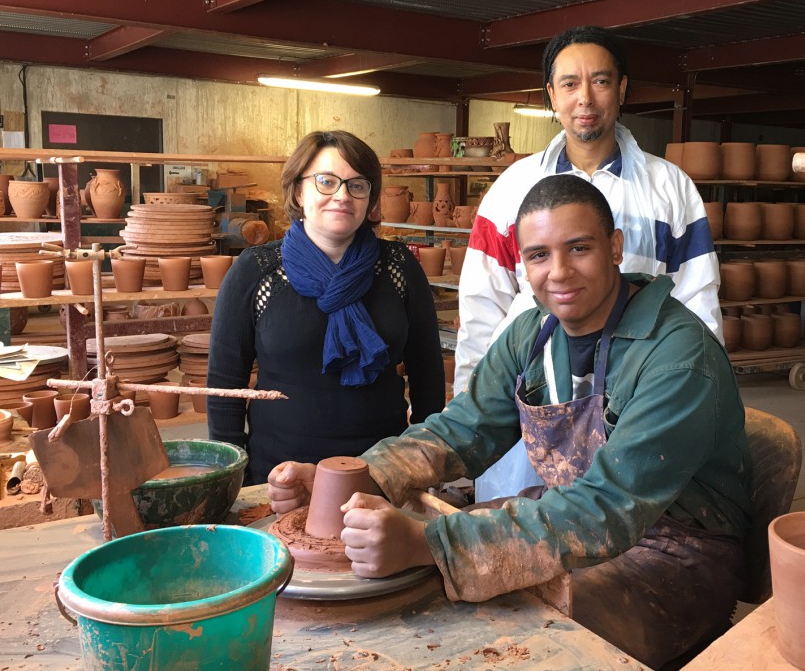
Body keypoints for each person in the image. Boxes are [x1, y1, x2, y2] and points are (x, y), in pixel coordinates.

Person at [268, 175, 751, 668]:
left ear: (615, 247)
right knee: (448, 588)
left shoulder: (678, 357)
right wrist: (354, 479)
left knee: (507, 644)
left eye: (578, 248)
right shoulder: (533, 335)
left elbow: (608, 508)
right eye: (539, 255)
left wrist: (429, 543)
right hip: (568, 512)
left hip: (676, 555)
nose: (558, 272)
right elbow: (463, 428)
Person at [455, 25, 723, 501]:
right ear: (551, 96)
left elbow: (698, 304)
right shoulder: (512, 189)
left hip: (639, 396)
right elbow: (482, 304)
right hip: (534, 392)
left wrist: (700, 402)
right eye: (569, 84)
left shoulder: (670, 188)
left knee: (626, 528)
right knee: (519, 539)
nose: (585, 98)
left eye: (600, 81)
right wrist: (469, 401)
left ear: (621, 89)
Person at [208, 130, 446, 484]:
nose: (342, 196)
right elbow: (225, 384)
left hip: (382, 475)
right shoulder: (256, 271)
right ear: (299, 191)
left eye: (356, 185)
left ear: (370, 199)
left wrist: (425, 463)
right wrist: (232, 479)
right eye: (326, 182)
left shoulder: (399, 268)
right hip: (279, 477)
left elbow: (427, 373)